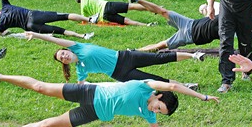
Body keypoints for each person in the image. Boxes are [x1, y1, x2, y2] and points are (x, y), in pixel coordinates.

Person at [0, 72, 219, 127]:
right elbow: (175, 85)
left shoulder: (149, 113)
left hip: (92, 113)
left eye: (159, 112)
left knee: (46, 125)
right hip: (90, 93)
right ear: (157, 96)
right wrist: (203, 96)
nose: (155, 110)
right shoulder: (146, 87)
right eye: (159, 106)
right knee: (41, 87)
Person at [25, 32, 205, 85]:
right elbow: (81, 88)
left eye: (62, 53)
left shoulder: (76, 46)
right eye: (62, 59)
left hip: (125, 57)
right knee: (153, 81)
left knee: (159, 58)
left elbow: (53, 38)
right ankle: (184, 85)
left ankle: (194, 55)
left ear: (66, 50)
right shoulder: (81, 69)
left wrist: (36, 34)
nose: (64, 56)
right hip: (121, 74)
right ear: (66, 63)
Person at [128, 0, 219, 52]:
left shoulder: (230, 30)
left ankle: (135, 51)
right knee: (163, 11)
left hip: (189, 36)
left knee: (162, 45)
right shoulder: (223, 12)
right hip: (190, 22)